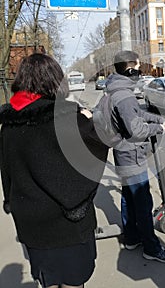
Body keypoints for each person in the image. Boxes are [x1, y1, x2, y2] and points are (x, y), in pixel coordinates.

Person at [0, 53, 108, 288]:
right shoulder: (66, 117)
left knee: (47, 280)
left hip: (32, 225)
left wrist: (10, 201)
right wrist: (88, 122)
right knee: (73, 281)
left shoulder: (9, 122)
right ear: (55, 80)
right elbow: (95, 152)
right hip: (67, 226)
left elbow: (6, 169)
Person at [105, 50, 165, 263]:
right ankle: (151, 248)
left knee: (128, 197)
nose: (139, 71)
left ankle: (132, 238)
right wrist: (159, 129)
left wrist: (156, 119)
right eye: (137, 67)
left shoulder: (116, 90)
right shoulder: (124, 96)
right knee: (143, 202)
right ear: (129, 69)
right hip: (131, 155)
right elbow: (136, 129)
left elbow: (136, 114)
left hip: (123, 153)